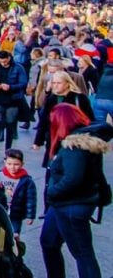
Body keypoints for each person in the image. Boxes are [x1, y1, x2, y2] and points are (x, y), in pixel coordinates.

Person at [40, 104, 109, 278]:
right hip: (64, 204)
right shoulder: (80, 140)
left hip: (71, 204)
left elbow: (73, 178)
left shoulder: (74, 146)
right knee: (49, 242)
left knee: (82, 253)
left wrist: (52, 192)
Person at [33, 70, 94, 168]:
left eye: (58, 83)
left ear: (67, 83)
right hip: (53, 139)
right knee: (52, 170)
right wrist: (38, 141)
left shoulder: (79, 98)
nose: (55, 86)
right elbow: (44, 121)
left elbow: (89, 119)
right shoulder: (52, 98)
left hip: (73, 139)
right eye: (53, 83)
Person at [0, 50, 28, 160]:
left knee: (10, 126)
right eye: (1, 61)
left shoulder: (18, 67)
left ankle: (8, 151)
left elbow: (23, 83)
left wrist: (11, 87)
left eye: (5, 61)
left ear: (9, 58)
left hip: (12, 100)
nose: (3, 63)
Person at [0, 148, 36, 238]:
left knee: (14, 235)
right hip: (0, 210)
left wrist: (30, 215)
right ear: (4, 162)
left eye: (16, 164)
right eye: (9, 164)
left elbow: (31, 199)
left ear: (22, 164)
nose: (12, 167)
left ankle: (15, 249)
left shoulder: (26, 181)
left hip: (16, 213)